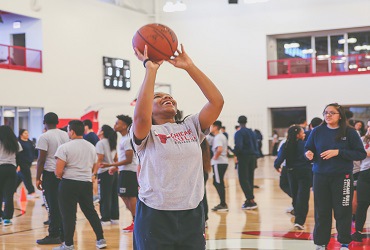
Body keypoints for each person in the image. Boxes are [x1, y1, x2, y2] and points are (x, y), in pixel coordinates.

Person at [130, 44, 223, 249]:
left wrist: (190, 66)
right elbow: (140, 116)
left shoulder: (191, 126)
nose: (167, 97)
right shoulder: (146, 133)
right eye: (158, 97)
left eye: (169, 96)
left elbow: (216, 102)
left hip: (192, 212)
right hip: (155, 214)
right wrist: (150, 70)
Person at [305, 103, 367, 250]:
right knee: (322, 211)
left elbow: (361, 153)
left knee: (343, 211)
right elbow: (308, 147)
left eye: (332, 113)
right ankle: (320, 242)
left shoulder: (350, 132)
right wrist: (308, 154)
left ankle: (344, 242)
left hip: (342, 177)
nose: (328, 115)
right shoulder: (317, 131)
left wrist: (338, 152)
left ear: (340, 115)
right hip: (320, 176)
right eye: (326, 112)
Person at [53, 120, 107, 250]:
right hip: (86, 183)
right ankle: (100, 239)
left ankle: (69, 244)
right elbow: (95, 166)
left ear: (71, 131)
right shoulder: (91, 147)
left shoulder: (64, 147)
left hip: (68, 184)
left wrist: (61, 175)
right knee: (90, 212)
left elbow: (58, 171)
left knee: (68, 215)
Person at [35, 112, 69, 245]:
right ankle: (64, 233)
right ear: (58, 122)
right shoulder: (65, 134)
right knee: (62, 205)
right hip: (63, 173)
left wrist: (38, 178)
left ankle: (54, 234)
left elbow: (41, 159)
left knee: (52, 205)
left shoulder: (44, 136)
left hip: (50, 174)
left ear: (44, 122)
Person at [104, 114, 138, 232]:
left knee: (130, 196)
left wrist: (111, 165)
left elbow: (129, 159)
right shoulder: (123, 139)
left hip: (130, 171)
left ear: (124, 126)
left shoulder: (128, 139)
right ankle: (136, 220)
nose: (115, 125)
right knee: (124, 195)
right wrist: (116, 167)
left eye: (117, 123)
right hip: (125, 171)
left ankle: (136, 221)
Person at [274, 125, 312, 230]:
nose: (304, 134)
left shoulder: (285, 145)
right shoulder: (305, 145)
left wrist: (277, 166)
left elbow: (279, 159)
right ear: (298, 135)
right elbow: (308, 157)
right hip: (305, 172)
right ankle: (299, 221)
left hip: (291, 172)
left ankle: (297, 215)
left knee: (295, 195)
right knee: (303, 197)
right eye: (303, 133)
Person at [94, 125, 119, 225]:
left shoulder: (101, 143)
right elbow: (116, 158)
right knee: (113, 195)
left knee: (104, 196)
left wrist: (94, 173)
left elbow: (99, 159)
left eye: (99, 129)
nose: (98, 130)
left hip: (104, 172)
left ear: (102, 132)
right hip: (113, 171)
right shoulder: (112, 142)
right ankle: (115, 217)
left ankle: (105, 219)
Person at [234, 115, 259, 210]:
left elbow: (239, 146)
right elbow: (256, 145)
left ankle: (251, 199)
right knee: (250, 179)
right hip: (253, 157)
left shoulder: (239, 133)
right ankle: (249, 200)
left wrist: (234, 152)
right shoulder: (252, 132)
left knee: (243, 179)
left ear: (238, 122)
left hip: (244, 157)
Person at [352, 120, 370, 242]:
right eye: (369, 126)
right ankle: (358, 231)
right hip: (364, 173)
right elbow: (359, 154)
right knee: (362, 204)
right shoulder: (363, 139)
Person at [0, 125, 22, 226]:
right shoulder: (15, 143)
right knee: (8, 195)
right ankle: (7, 219)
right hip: (11, 169)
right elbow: (19, 157)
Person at [210, 120, 229, 212]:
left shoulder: (218, 137)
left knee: (218, 182)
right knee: (217, 182)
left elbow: (220, 149)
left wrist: (214, 158)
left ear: (216, 127)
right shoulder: (221, 136)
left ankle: (223, 204)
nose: (210, 128)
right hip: (222, 162)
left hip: (219, 163)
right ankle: (222, 203)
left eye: (211, 126)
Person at [15, 129, 39, 199]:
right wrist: (17, 165)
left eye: (27, 133)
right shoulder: (19, 143)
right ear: (21, 134)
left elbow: (33, 152)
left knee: (20, 177)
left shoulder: (30, 142)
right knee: (27, 177)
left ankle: (12, 190)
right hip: (22, 163)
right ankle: (31, 192)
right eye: (25, 133)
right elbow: (17, 155)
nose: (27, 134)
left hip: (29, 162)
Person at [200, 139, 211, 227]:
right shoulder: (205, 143)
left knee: (201, 196)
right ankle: (205, 218)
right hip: (204, 171)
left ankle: (204, 218)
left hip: (199, 172)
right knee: (203, 195)